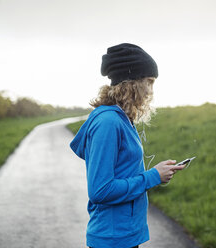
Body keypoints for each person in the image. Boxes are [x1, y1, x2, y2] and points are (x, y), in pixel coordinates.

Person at [70, 43, 186, 248]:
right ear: (130, 82)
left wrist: (158, 174)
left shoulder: (123, 119)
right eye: (149, 82)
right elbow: (100, 190)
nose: (151, 91)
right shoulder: (108, 123)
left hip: (126, 235)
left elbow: (123, 172)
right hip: (112, 239)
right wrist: (153, 176)